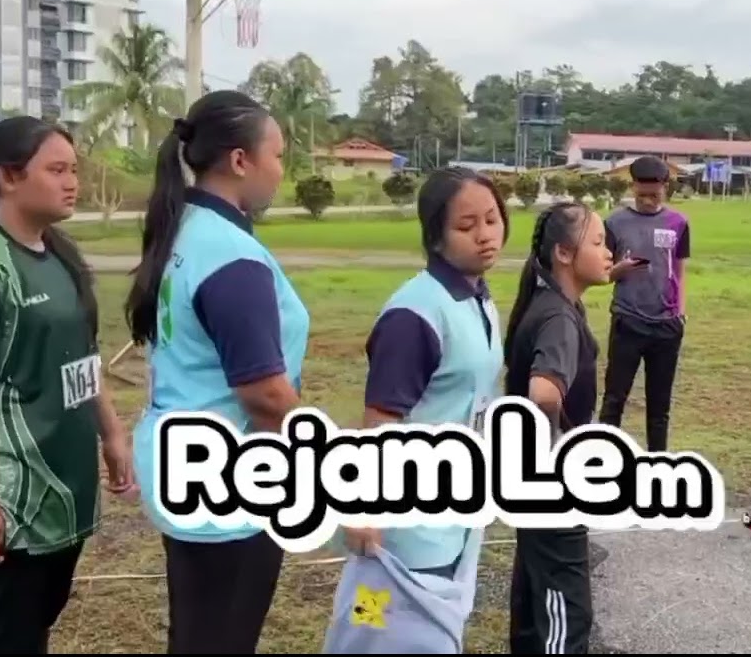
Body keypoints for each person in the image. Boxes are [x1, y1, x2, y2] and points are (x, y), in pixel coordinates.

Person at [0, 115, 135, 653]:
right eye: (56, 170)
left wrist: (111, 434)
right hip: (10, 500)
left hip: (61, 485)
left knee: (30, 630)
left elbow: (83, 356)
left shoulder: (57, 254)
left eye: (74, 170)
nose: (72, 183)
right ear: (8, 177)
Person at [128, 90, 305, 654]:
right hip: (228, 484)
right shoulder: (231, 256)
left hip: (186, 466)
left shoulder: (184, 229)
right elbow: (265, 394)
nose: (281, 172)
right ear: (240, 160)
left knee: (199, 634)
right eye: (277, 156)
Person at [322, 167, 509, 654]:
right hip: (409, 525)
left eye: (492, 219)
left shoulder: (477, 298)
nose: (485, 235)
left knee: (423, 636)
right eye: (467, 225)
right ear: (436, 236)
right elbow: (380, 421)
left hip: (455, 513)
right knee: (379, 632)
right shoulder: (415, 313)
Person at [501, 201, 612, 654]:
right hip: (552, 486)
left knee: (535, 603)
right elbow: (544, 393)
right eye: (599, 243)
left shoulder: (550, 302)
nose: (608, 252)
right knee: (568, 612)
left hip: (530, 480)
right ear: (564, 254)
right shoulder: (559, 318)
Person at [598, 155, 690, 453]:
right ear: (633, 187)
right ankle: (602, 460)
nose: (648, 201)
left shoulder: (678, 223)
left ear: (666, 187)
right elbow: (601, 273)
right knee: (614, 399)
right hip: (628, 321)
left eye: (654, 195)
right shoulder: (614, 223)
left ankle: (657, 464)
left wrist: (680, 312)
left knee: (659, 407)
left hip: (667, 326)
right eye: (642, 195)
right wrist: (620, 269)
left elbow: (679, 270)